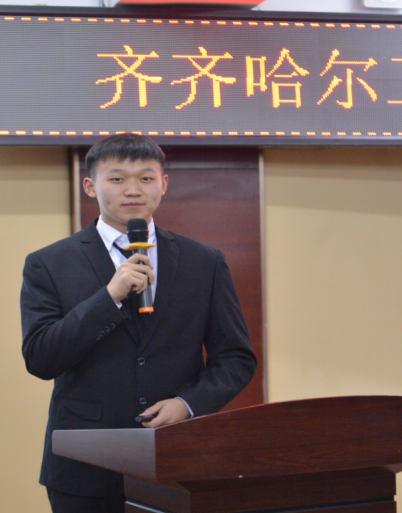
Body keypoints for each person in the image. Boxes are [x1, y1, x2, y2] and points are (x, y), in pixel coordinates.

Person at [20, 134, 257, 513]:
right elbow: (40, 358)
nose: (133, 190)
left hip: (177, 458)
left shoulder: (204, 261)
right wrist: (109, 297)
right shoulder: (48, 263)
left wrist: (188, 404)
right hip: (85, 468)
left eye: (146, 178)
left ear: (163, 184)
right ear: (90, 186)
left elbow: (236, 359)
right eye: (117, 179)